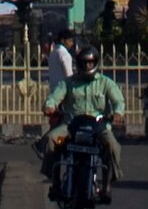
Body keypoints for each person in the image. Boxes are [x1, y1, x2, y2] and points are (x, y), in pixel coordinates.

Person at [46, 43, 125, 198]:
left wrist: (118, 113)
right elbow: (54, 97)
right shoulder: (68, 82)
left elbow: (118, 101)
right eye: (85, 62)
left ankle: (106, 185)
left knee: (113, 146)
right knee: (51, 140)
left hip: (98, 127)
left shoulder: (105, 82)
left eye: (91, 62)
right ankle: (55, 183)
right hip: (70, 126)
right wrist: (49, 106)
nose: (88, 65)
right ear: (79, 63)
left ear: (96, 62)